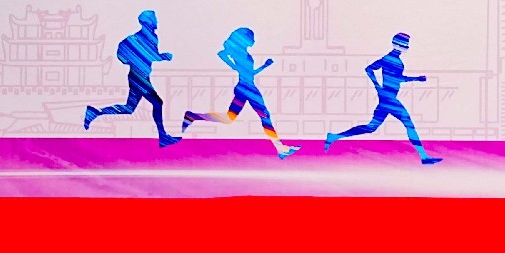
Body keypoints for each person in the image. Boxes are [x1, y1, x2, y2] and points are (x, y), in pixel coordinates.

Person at [324, 33, 442, 164]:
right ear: (398, 45)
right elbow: (379, 73)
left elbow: (378, 72)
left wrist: (380, 87)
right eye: (405, 45)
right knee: (409, 125)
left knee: (371, 127)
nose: (406, 47)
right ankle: (424, 157)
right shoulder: (392, 60)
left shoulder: (390, 59)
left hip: (386, 98)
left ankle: (334, 136)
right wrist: (415, 79)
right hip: (389, 99)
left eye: (406, 45)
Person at [181, 29, 299, 158]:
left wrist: (264, 66)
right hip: (247, 89)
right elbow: (221, 53)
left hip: (246, 87)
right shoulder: (239, 52)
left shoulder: (243, 53)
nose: (253, 40)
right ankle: (281, 148)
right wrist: (234, 66)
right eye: (251, 37)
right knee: (264, 116)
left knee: (229, 118)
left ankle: (192, 116)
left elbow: (250, 73)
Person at [85, 9, 181, 146]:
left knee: (129, 109)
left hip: (142, 77)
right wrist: (161, 57)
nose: (157, 22)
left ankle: (95, 112)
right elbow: (128, 54)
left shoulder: (152, 37)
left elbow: (151, 55)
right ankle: (163, 137)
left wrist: (161, 57)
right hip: (138, 77)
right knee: (158, 103)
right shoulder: (136, 38)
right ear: (148, 22)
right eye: (154, 20)